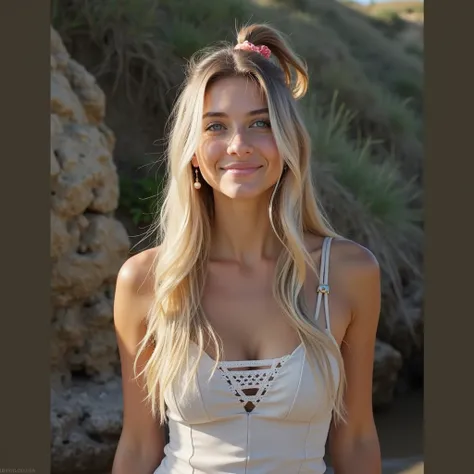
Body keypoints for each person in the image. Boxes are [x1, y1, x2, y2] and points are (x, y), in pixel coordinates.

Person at [112, 23, 382, 474]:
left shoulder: (349, 272)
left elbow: (355, 439)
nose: (239, 145)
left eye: (260, 123)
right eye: (216, 126)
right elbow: (139, 447)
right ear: (194, 151)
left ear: (288, 140)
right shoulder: (146, 281)